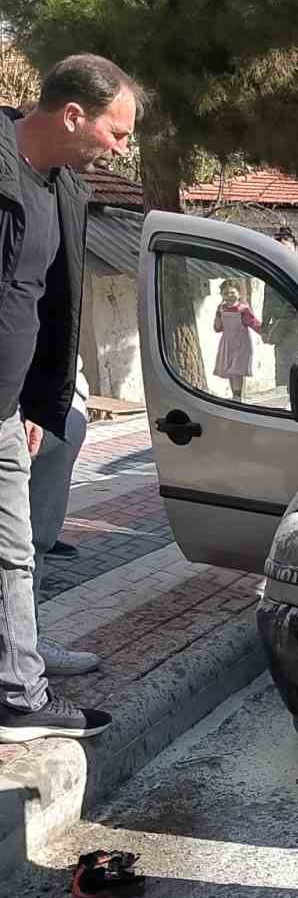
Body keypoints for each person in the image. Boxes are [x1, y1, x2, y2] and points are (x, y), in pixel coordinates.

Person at [0, 54, 142, 742]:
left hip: (7, 407)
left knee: (14, 549)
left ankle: (19, 678)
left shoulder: (65, 191)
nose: (121, 149)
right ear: (73, 114)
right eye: (117, 133)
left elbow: (53, 306)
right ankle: (20, 688)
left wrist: (38, 402)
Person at [29, 356, 100, 675]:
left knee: (34, 535)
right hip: (30, 402)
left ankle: (25, 643)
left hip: (51, 395)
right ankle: (22, 651)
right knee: (23, 539)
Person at [261, 227, 298, 390]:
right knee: (283, 371)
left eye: (286, 248)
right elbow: (268, 301)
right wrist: (264, 326)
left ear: (296, 249)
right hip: (281, 330)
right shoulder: (272, 274)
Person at [212, 278, 261, 401]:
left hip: (241, 343)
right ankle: (235, 395)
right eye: (226, 293)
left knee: (237, 369)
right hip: (227, 343)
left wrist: (264, 332)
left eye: (232, 293)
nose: (229, 296)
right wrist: (217, 316)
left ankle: (238, 396)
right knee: (229, 369)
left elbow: (252, 322)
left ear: (239, 294)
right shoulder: (221, 309)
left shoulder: (243, 309)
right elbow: (218, 328)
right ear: (222, 295)